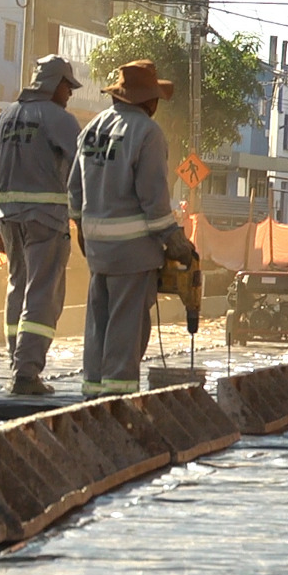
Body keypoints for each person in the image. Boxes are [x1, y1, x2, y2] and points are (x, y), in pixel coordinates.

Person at [68, 59, 195, 397]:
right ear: (148, 100)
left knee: (99, 322)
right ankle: (116, 397)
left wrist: (83, 231)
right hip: (133, 251)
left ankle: (91, 391)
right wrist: (175, 239)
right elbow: (153, 198)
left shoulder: (92, 128)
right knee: (127, 326)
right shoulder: (147, 133)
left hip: (96, 249)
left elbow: (75, 190)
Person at [0, 54, 83, 395]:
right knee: (43, 293)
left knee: (18, 287)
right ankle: (26, 373)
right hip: (47, 221)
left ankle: (17, 363)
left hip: (9, 220)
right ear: (55, 85)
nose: (69, 94)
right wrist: (83, 214)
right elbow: (82, 168)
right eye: (67, 87)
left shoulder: (3, 119)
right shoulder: (60, 120)